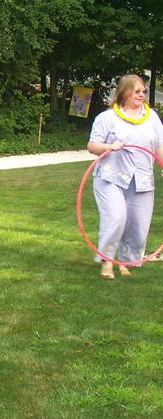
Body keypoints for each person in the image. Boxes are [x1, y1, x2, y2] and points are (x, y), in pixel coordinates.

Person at [87, 74, 163, 279]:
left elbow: (159, 147)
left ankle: (125, 261)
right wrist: (108, 147)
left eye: (143, 91)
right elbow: (92, 146)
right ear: (125, 92)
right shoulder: (107, 118)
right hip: (111, 176)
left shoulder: (151, 118)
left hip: (142, 179)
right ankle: (108, 262)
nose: (141, 95)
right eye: (137, 91)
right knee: (116, 217)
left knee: (138, 225)